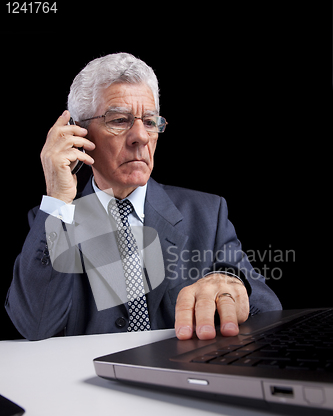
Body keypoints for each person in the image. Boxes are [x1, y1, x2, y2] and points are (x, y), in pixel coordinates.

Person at [5, 53, 281, 341]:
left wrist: (229, 283)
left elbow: (269, 311)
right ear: (79, 133)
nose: (141, 136)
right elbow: (34, 326)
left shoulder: (207, 213)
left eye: (150, 122)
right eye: (120, 120)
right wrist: (59, 199)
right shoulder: (52, 218)